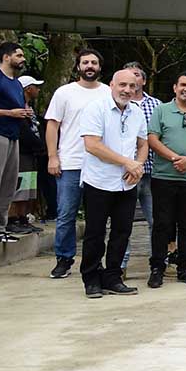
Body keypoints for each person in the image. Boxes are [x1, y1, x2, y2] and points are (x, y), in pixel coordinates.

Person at [78, 70, 148, 298]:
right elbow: (92, 145)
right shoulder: (95, 108)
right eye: (123, 85)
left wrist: (137, 166)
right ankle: (91, 279)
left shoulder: (136, 112)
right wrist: (128, 163)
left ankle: (113, 278)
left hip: (126, 184)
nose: (127, 90)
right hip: (98, 181)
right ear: (112, 85)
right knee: (95, 233)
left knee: (122, 233)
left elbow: (143, 144)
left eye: (132, 86)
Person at [45, 48, 111, 279]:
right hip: (70, 163)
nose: (90, 66)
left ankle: (95, 261)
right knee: (66, 215)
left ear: (100, 67)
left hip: (100, 164)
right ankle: (63, 259)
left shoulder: (108, 92)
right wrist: (53, 156)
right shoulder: (64, 93)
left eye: (94, 62)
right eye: (85, 62)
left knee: (98, 218)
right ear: (78, 66)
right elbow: (53, 125)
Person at [145, 71, 186, 288]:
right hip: (164, 176)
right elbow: (152, 139)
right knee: (162, 224)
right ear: (175, 87)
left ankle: (185, 267)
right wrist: (175, 158)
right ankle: (157, 267)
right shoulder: (161, 110)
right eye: (183, 85)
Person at [121, 61, 160, 271]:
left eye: (136, 74)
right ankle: (121, 264)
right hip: (124, 173)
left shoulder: (157, 105)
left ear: (143, 80)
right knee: (123, 221)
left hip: (152, 172)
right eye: (127, 75)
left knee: (156, 220)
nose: (132, 79)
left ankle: (158, 263)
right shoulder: (115, 104)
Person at [0, 42, 29, 244]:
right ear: (7, 57)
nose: (23, 59)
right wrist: (9, 113)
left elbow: (16, 107)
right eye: (19, 55)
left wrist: (23, 112)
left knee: (8, 184)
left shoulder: (16, 83)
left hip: (13, 136)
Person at [10, 74, 48, 235]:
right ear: (27, 89)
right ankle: (13, 220)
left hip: (31, 154)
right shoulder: (16, 107)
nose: (38, 89)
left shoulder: (28, 107)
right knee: (19, 187)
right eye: (35, 86)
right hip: (22, 152)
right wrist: (38, 144)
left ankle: (23, 218)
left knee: (29, 187)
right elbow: (22, 131)